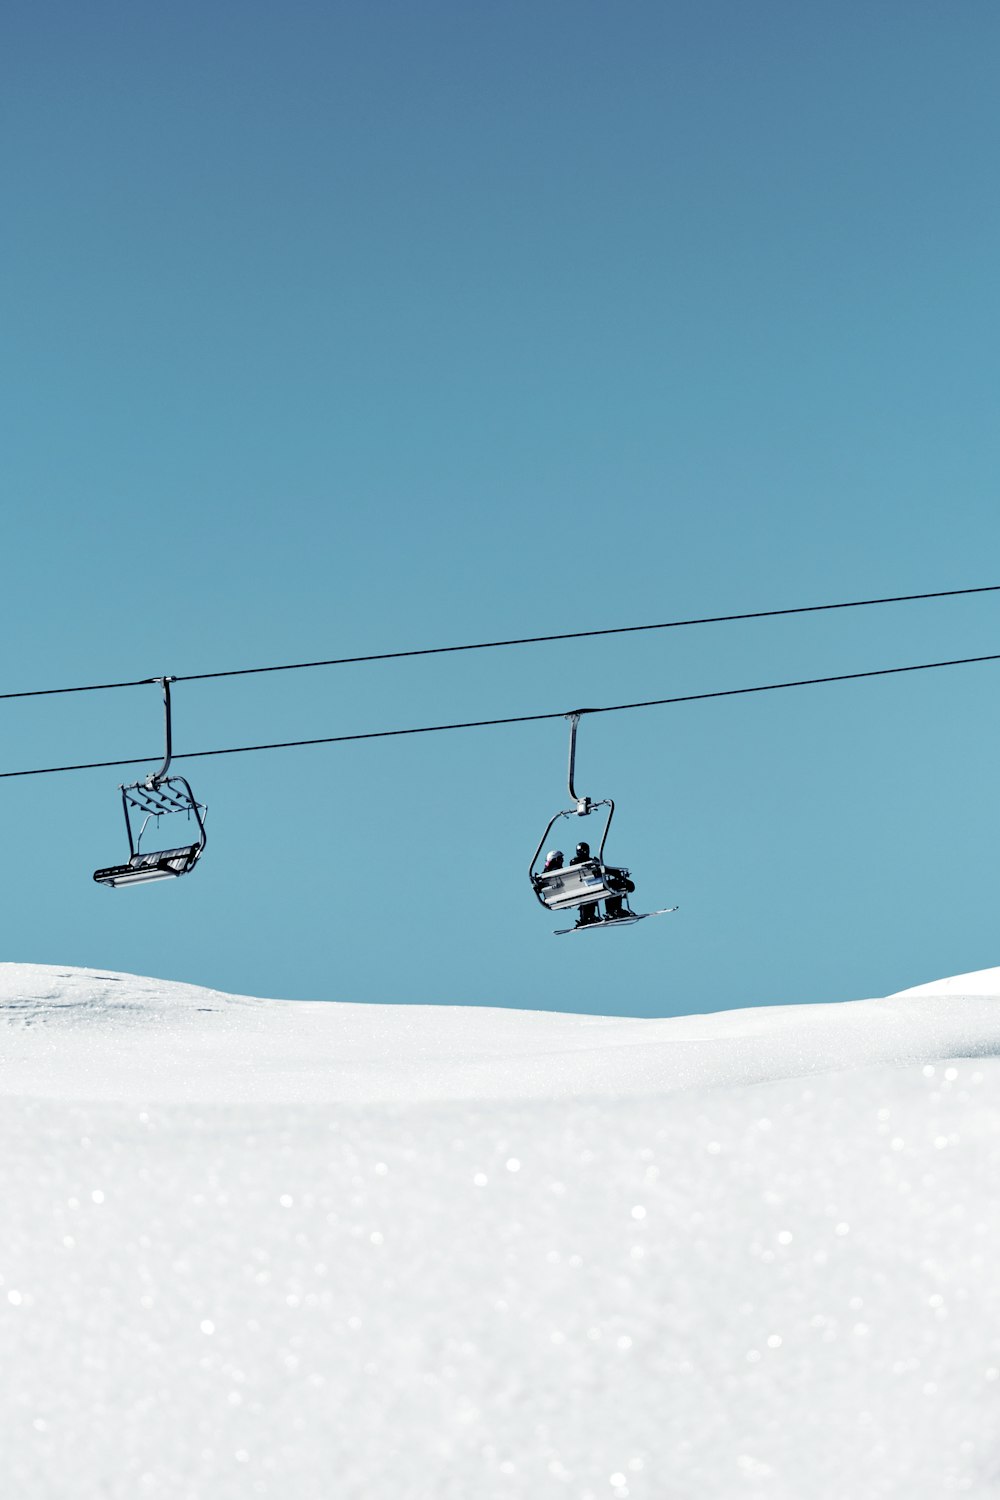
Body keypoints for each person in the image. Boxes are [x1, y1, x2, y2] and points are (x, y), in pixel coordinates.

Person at [569, 841, 600, 926]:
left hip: (580, 887)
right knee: (594, 890)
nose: (585, 852)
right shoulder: (585, 862)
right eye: (584, 851)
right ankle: (588, 917)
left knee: (588, 893)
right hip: (589, 886)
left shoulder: (574, 862)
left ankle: (586, 917)